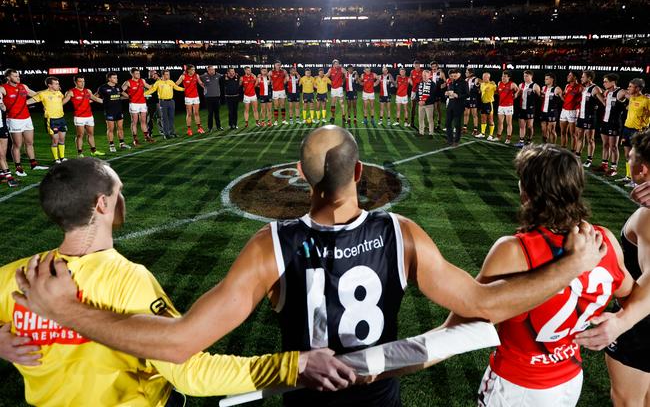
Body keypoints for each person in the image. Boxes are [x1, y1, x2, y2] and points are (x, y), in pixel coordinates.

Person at [15, 126, 605, 407]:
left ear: (304, 177)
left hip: (306, 391)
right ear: (360, 174)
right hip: (377, 394)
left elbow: (182, 344)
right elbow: (486, 306)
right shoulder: (403, 234)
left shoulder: (270, 244)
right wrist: (571, 263)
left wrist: (66, 308)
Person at [0, 158, 355, 406]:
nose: (123, 197)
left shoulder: (15, 276)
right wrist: (296, 365)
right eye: (118, 190)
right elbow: (190, 374)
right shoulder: (128, 281)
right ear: (102, 205)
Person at [445, 144, 632, 407]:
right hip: (569, 379)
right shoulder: (605, 241)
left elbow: (465, 320)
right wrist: (620, 322)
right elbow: (629, 293)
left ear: (527, 193)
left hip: (517, 385)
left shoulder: (513, 251)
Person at [574, 129, 650, 407]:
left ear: (641, 168)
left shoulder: (646, 218)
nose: (627, 161)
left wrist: (622, 321)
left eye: (629, 157)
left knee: (628, 401)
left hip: (641, 324)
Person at [1, 69, 48, 176]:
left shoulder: (23, 86)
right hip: (14, 119)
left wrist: (48, 91)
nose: (18, 77)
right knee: (17, 144)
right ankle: (18, 168)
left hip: (27, 118)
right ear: (8, 77)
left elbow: (35, 94)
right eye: (15, 76)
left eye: (18, 76)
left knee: (30, 142)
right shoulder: (3, 88)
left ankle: (34, 164)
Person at [25, 77, 70, 164]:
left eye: (58, 83)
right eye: (56, 84)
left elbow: (60, 100)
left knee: (62, 140)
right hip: (51, 120)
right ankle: (56, 159)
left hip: (61, 118)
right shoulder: (43, 94)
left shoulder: (59, 93)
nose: (58, 85)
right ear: (50, 85)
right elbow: (29, 101)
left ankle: (62, 157)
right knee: (55, 140)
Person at [618, 78, 650, 186]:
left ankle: (638, 180)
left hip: (639, 131)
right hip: (627, 128)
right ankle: (628, 177)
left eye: (630, 86)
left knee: (636, 156)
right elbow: (621, 95)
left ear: (637, 88)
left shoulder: (646, 100)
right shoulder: (631, 97)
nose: (628, 88)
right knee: (627, 154)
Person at [66, 76, 105, 157]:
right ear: (76, 82)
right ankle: (80, 153)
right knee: (80, 135)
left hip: (89, 116)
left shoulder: (87, 91)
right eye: (80, 81)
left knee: (91, 134)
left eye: (83, 81)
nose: (82, 83)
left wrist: (109, 102)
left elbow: (96, 99)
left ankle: (93, 151)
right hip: (79, 117)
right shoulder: (71, 92)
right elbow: (63, 102)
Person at [596, 73, 626, 176]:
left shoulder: (620, 92)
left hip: (614, 123)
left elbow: (630, 96)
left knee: (613, 146)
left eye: (606, 81)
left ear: (613, 82)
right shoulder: (607, 92)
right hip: (605, 122)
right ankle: (604, 165)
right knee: (605, 144)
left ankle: (614, 168)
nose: (604, 83)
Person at [574, 70, 605, 167]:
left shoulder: (595, 88)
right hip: (581, 116)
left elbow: (604, 102)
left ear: (589, 78)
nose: (581, 78)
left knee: (590, 139)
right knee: (579, 136)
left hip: (590, 117)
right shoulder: (583, 88)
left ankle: (589, 160)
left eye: (583, 77)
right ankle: (577, 156)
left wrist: (596, 106)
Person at [144, 70, 184, 139]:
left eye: (168, 74)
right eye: (166, 74)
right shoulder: (158, 83)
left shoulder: (170, 82)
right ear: (162, 75)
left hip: (171, 102)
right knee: (164, 118)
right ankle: (166, 134)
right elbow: (152, 90)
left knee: (171, 118)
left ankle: (172, 132)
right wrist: (143, 94)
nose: (168, 76)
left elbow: (177, 88)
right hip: (163, 102)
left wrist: (184, 89)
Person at [96, 72, 131, 153]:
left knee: (120, 128)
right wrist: (87, 100)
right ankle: (111, 145)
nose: (116, 79)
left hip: (119, 110)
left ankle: (122, 144)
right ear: (109, 79)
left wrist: (131, 97)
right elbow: (95, 97)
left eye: (116, 77)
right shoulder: (103, 87)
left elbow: (125, 95)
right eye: (114, 77)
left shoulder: (118, 86)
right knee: (111, 129)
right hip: (109, 111)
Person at [123, 68, 153, 146]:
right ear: (132, 74)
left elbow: (149, 87)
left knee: (143, 121)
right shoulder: (128, 82)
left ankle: (147, 137)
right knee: (134, 122)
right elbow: (120, 90)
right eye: (136, 73)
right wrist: (128, 96)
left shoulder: (142, 80)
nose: (138, 75)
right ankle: (135, 139)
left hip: (142, 103)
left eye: (139, 73)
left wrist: (158, 83)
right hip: (134, 104)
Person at [514, 70, 541, 149]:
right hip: (522, 108)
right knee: (522, 126)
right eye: (524, 76)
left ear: (531, 76)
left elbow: (540, 97)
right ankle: (521, 141)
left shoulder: (535, 86)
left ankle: (529, 140)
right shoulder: (521, 85)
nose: (525, 77)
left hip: (530, 109)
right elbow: (517, 95)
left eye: (526, 76)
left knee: (530, 126)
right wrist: (515, 94)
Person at [176, 65, 205, 136]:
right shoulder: (183, 76)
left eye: (194, 69)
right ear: (188, 70)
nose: (194, 71)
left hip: (196, 97)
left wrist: (206, 87)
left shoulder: (196, 75)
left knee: (196, 113)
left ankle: (199, 128)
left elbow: (201, 83)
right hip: (188, 97)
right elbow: (176, 84)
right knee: (189, 114)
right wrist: (181, 89)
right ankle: (189, 129)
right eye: (192, 69)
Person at [0, 85, 19, 187]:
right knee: (1, 155)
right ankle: (9, 178)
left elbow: (3, 107)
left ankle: (2, 174)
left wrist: (3, 106)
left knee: (3, 153)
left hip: (2, 126)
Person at [445, 69, 468, 146]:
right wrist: (446, 93)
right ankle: (450, 139)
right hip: (450, 105)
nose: (454, 77)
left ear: (459, 74)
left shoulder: (464, 83)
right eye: (453, 75)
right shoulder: (451, 82)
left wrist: (458, 96)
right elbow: (448, 92)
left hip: (459, 105)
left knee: (457, 124)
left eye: (455, 75)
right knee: (448, 123)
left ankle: (456, 140)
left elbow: (467, 94)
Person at [559, 71, 581, 150]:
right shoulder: (567, 86)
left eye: (570, 75)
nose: (568, 76)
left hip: (573, 111)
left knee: (573, 134)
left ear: (575, 77)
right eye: (568, 74)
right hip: (564, 110)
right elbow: (565, 99)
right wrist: (561, 95)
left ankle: (573, 153)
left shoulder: (580, 87)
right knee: (563, 132)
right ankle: (563, 150)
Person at [540, 73, 563, 145]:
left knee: (551, 130)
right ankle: (545, 145)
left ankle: (552, 146)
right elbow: (542, 98)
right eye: (545, 79)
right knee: (544, 130)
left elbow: (563, 99)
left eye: (547, 79)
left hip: (552, 112)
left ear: (552, 79)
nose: (545, 80)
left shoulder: (557, 89)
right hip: (543, 111)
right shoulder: (543, 88)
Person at [496, 71, 518, 144]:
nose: (503, 78)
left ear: (508, 77)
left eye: (505, 76)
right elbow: (498, 92)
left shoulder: (512, 84)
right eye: (502, 76)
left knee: (508, 123)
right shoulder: (499, 83)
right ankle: (498, 137)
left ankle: (508, 138)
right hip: (501, 105)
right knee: (500, 122)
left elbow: (518, 90)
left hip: (509, 106)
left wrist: (515, 95)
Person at [201, 65, 223, 132]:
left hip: (216, 97)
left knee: (217, 113)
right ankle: (210, 128)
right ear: (208, 70)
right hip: (208, 97)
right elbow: (196, 77)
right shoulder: (204, 76)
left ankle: (219, 127)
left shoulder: (218, 75)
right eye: (211, 69)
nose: (212, 71)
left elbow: (225, 76)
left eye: (213, 69)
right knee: (210, 113)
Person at [478, 72, 497, 140]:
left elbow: (497, 91)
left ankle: (491, 135)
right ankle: (482, 134)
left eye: (485, 77)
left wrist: (495, 85)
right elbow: (481, 92)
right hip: (483, 103)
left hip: (489, 103)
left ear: (488, 77)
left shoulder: (492, 84)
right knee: (483, 118)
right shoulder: (482, 84)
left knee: (490, 119)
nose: (483, 78)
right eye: (483, 77)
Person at [325, 59, 345, 124]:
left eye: (338, 63)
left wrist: (343, 81)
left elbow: (347, 74)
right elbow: (326, 76)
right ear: (333, 64)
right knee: (333, 103)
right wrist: (330, 82)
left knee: (341, 103)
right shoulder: (330, 70)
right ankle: (333, 117)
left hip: (339, 88)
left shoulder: (341, 69)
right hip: (333, 88)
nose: (337, 65)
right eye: (336, 64)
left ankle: (343, 117)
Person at [417, 70, 435, 137]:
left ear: (429, 76)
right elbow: (417, 93)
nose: (424, 76)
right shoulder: (420, 83)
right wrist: (419, 101)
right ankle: (421, 132)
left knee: (430, 119)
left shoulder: (432, 84)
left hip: (429, 105)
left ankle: (431, 133)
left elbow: (433, 95)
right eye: (423, 75)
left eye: (425, 75)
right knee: (420, 119)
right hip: (420, 104)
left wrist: (425, 101)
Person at [145, 69, 163, 138]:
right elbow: (150, 87)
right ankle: (149, 132)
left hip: (157, 101)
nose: (154, 74)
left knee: (160, 116)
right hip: (149, 102)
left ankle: (161, 130)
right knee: (150, 118)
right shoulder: (146, 80)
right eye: (152, 73)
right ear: (149, 74)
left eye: (155, 73)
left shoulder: (158, 80)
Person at [270, 61, 289, 126]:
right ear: (274, 65)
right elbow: (269, 79)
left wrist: (285, 81)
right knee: (276, 106)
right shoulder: (271, 72)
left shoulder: (283, 71)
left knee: (283, 105)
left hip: (282, 90)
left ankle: (284, 120)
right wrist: (271, 84)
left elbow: (287, 78)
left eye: (279, 65)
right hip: (275, 91)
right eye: (277, 65)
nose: (278, 66)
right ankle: (275, 121)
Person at [463, 68, 480, 136]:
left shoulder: (476, 79)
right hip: (466, 99)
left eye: (467, 72)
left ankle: (475, 129)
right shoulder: (466, 80)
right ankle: (464, 128)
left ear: (471, 73)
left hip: (473, 99)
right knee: (466, 114)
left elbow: (482, 83)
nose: (465, 73)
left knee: (474, 115)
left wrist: (479, 88)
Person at [431, 62, 446, 131]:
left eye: (435, 66)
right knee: (432, 110)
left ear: (437, 66)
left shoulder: (441, 73)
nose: (434, 68)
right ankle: (432, 125)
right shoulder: (429, 73)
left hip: (438, 94)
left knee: (438, 109)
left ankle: (438, 124)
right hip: (431, 94)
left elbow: (446, 82)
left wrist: (443, 85)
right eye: (432, 67)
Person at [409, 61, 423, 128]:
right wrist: (412, 83)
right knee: (413, 107)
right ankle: (412, 122)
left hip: (421, 91)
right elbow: (410, 79)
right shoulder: (412, 72)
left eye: (418, 65)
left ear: (420, 65)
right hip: (414, 91)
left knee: (422, 107)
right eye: (415, 65)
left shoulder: (423, 71)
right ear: (414, 65)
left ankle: (422, 123)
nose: (417, 67)